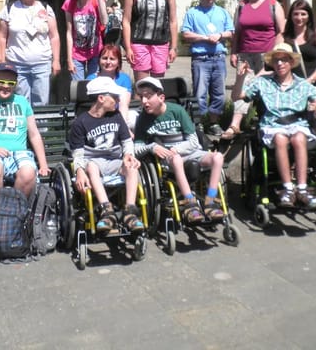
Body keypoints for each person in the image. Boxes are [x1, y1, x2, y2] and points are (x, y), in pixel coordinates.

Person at [239, 43, 316, 208]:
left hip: (297, 124)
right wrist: (240, 78)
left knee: (299, 138)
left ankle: (302, 188)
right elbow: (238, 96)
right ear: (272, 63)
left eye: (284, 60)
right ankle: (288, 188)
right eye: (276, 60)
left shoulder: (303, 85)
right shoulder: (263, 82)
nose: (280, 63)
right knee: (280, 138)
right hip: (272, 125)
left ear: (291, 62)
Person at [133, 77, 226, 223]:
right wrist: (152, 147)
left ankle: (210, 200)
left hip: (189, 151)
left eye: (148, 96)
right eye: (141, 97)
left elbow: (194, 142)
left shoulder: (177, 111)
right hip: (168, 159)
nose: (144, 101)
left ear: (161, 97)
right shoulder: (143, 119)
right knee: (176, 159)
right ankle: (190, 202)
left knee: (218, 157)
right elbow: (136, 149)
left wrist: (176, 149)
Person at [69, 77, 145, 233]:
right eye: (114, 96)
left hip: (115, 160)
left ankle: (130, 210)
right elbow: (78, 154)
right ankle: (106, 210)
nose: (118, 100)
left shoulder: (116, 116)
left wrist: (128, 155)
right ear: (101, 98)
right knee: (91, 166)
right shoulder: (80, 122)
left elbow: (126, 141)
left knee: (132, 167)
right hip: (94, 162)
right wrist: (79, 171)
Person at [0, 62, 50, 197]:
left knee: (28, 173)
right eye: (1, 82)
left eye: (10, 83)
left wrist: (43, 164)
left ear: (15, 84)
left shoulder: (23, 102)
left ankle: (16, 207)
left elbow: (34, 134)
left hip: (20, 153)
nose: (6, 86)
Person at [224, 0, 286, 139]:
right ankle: (235, 125)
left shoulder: (273, 4)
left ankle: (271, 121)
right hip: (245, 54)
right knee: (242, 86)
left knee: (268, 88)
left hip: (267, 54)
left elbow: (281, 31)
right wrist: (234, 52)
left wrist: (275, 54)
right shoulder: (242, 5)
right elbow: (237, 32)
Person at [0, 0, 61, 106]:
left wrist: (56, 61)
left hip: (42, 64)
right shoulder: (9, 9)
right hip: (17, 64)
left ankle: (40, 122)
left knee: (42, 102)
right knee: (21, 103)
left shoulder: (46, 8)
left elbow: (54, 36)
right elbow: (1, 37)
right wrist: (1, 60)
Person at [180, 0, 234, 136]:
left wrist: (219, 35)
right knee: (200, 94)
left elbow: (231, 32)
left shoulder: (222, 12)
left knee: (219, 94)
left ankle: (214, 123)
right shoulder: (192, 13)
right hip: (200, 59)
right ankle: (199, 124)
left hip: (219, 58)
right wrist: (204, 38)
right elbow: (186, 34)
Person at [122, 0, 178, 81]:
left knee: (157, 86)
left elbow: (173, 21)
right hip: (139, 44)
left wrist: (173, 47)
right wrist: (128, 48)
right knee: (142, 85)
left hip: (161, 44)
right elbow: (126, 21)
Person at [62, 0, 108, 80]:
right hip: (76, 53)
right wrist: (69, 59)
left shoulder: (96, 0)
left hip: (95, 52)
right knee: (78, 87)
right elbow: (69, 32)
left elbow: (105, 21)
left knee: (94, 85)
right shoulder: (70, 3)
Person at [282, 0, 316, 96]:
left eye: (303, 14)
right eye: (296, 14)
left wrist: (309, 81)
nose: (299, 17)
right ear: (290, 16)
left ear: (309, 16)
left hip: (315, 87)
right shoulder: (282, 37)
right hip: (292, 90)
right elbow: (273, 62)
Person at [85, 44, 133, 124]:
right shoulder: (91, 79)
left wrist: (122, 126)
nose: (108, 62)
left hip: (118, 115)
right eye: (104, 58)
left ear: (118, 62)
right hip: (97, 117)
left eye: (112, 59)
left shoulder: (124, 79)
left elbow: (124, 105)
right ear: (99, 60)